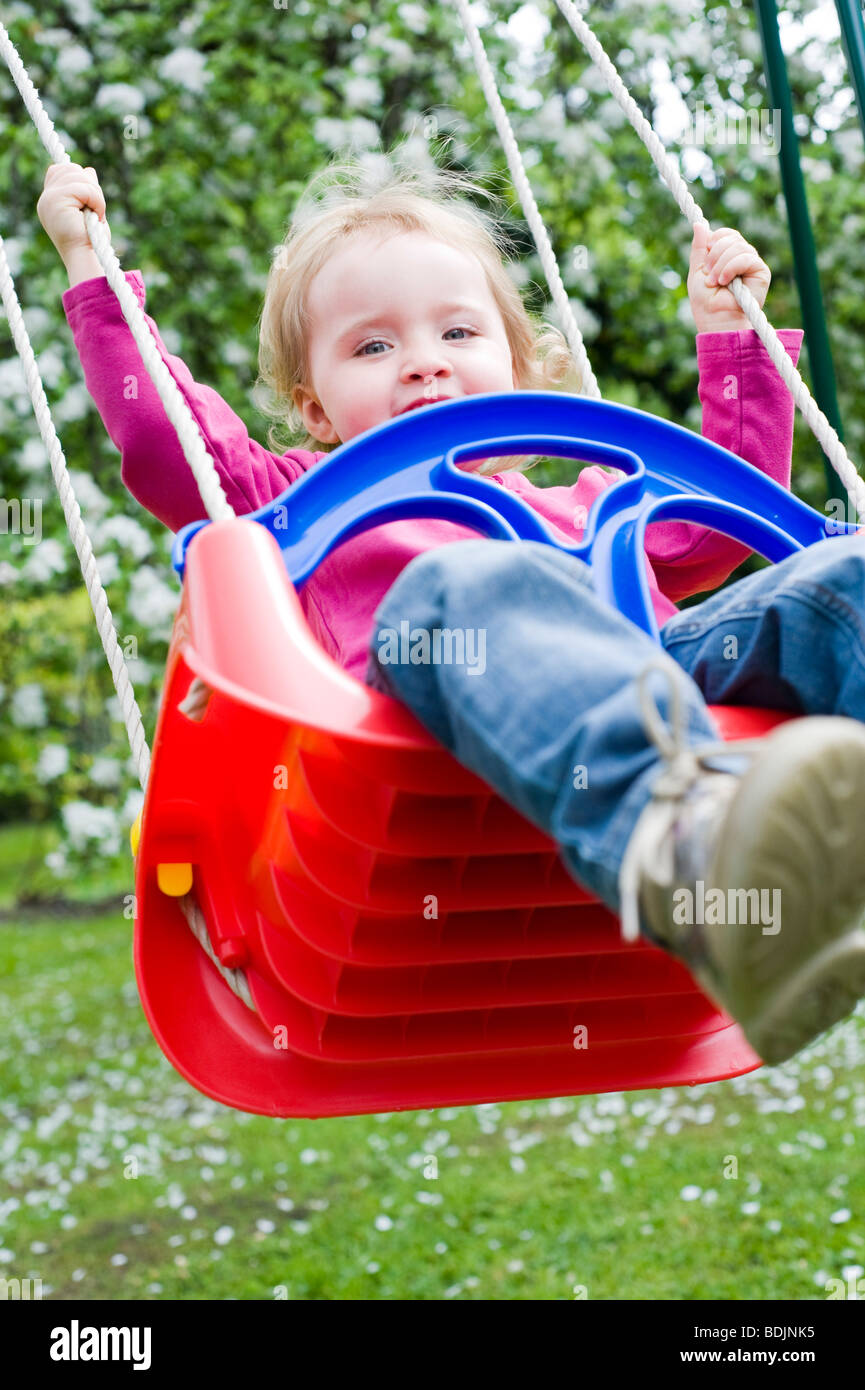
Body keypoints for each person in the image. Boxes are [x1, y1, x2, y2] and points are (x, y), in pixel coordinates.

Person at [38, 153, 865, 1068]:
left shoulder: (590, 505)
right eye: (372, 347)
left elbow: (718, 526)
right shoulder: (289, 503)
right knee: (465, 591)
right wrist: (93, 269)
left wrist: (730, 337)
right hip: (422, 756)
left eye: (457, 333)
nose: (423, 363)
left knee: (841, 581)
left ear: (516, 367)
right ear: (315, 410)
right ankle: (682, 844)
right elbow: (170, 443)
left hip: (658, 679)